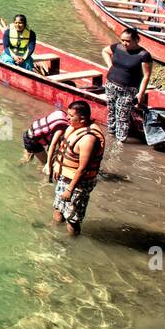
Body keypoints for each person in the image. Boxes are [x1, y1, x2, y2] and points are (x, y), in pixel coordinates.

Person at [44, 100, 105, 236]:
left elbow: (83, 169)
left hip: (77, 184)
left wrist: (70, 189)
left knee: (72, 219)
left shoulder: (88, 139)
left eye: (71, 116)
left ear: (82, 119)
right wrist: (55, 166)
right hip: (64, 178)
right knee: (58, 209)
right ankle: (53, 235)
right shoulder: (74, 128)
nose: (67, 118)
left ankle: (71, 243)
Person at [102, 29, 153, 144]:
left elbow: (146, 76)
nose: (124, 43)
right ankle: (111, 134)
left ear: (136, 40)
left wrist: (141, 93)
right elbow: (105, 51)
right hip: (111, 84)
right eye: (123, 40)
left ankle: (121, 141)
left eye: (128, 41)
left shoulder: (143, 55)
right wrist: (110, 65)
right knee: (111, 110)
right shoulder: (117, 47)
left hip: (128, 90)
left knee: (122, 115)